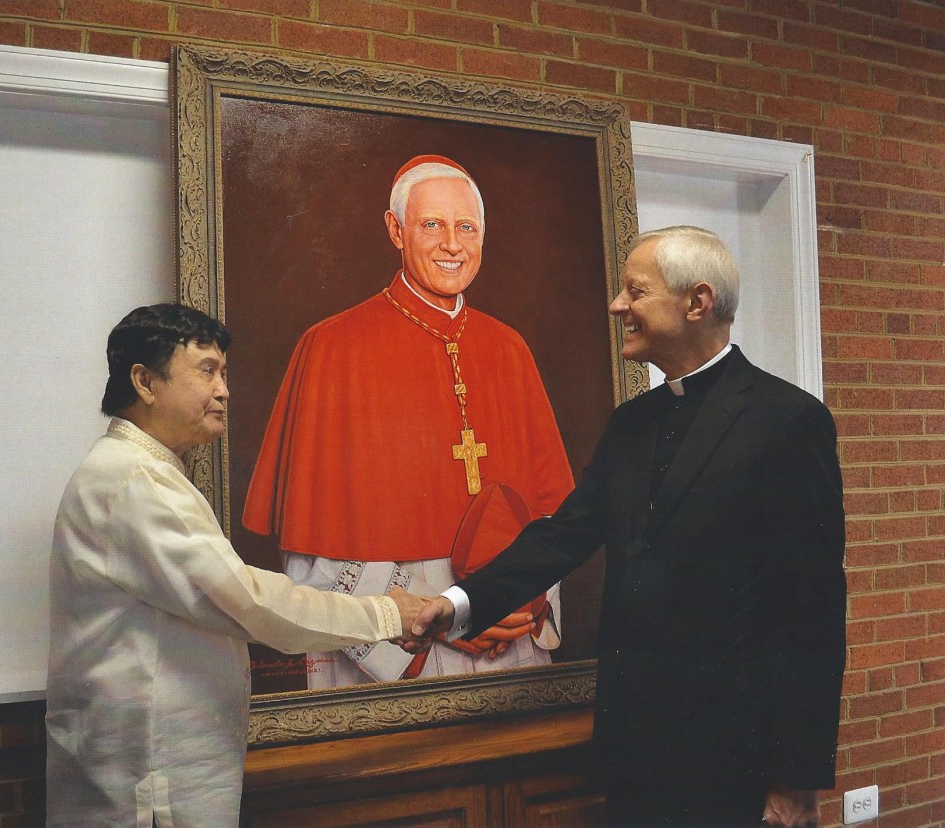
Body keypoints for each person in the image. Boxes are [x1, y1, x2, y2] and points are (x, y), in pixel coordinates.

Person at [411, 226, 847, 828]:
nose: (618, 306)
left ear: (697, 303)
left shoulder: (789, 421)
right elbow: (562, 536)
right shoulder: (631, 424)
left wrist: (795, 777)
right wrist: (456, 604)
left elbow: (812, 611)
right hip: (633, 753)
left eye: (635, 291)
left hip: (736, 763)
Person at [45, 303, 425, 828]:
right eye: (206, 370)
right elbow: (249, 602)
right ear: (145, 381)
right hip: (148, 785)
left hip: (157, 773)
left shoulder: (141, 472)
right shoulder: (134, 482)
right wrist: (386, 615)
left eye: (224, 373)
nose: (224, 390)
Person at [242, 155, 575, 687]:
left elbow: (557, 520)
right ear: (396, 231)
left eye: (465, 226)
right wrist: (430, 620)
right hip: (398, 659)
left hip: (510, 646)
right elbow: (309, 553)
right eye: (431, 225)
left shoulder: (509, 348)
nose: (451, 243)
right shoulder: (332, 347)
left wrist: (524, 599)